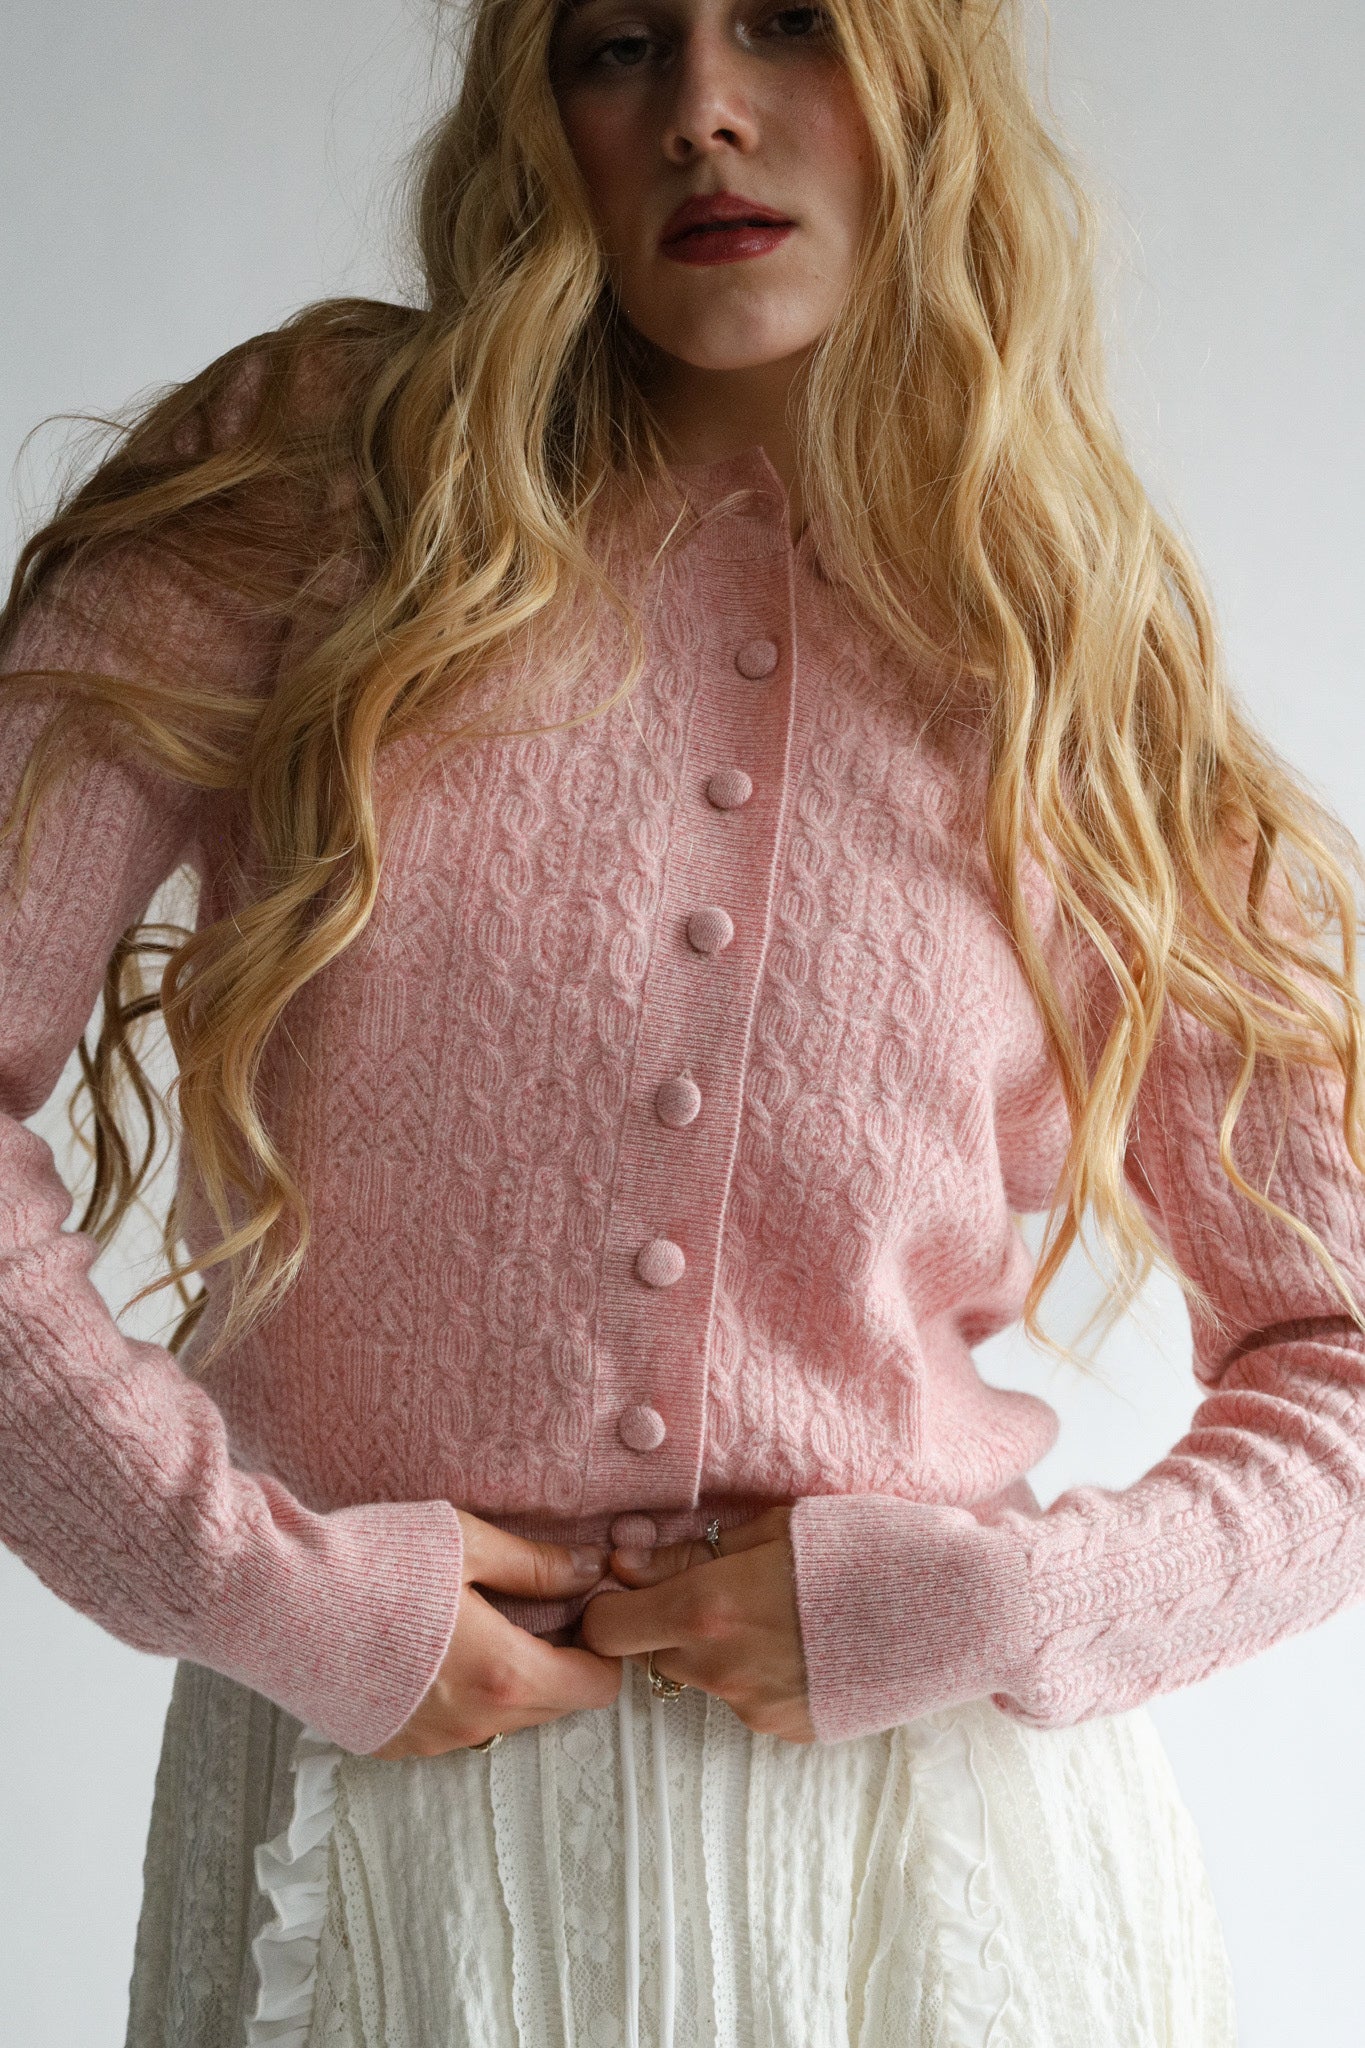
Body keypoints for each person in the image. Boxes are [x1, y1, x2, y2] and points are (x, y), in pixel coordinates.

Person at [3, 0, 1364, 2039]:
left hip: (933, 1880)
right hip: (381, 1853)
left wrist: (1008, 1601)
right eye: (620, 42)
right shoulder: (306, 491)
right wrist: (249, 1581)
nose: (705, 111)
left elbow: (1338, 1351)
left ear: (924, 78)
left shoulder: (1054, 640)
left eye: (789, 23)